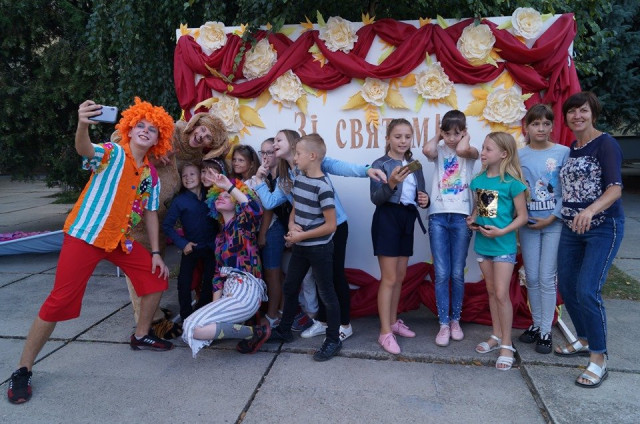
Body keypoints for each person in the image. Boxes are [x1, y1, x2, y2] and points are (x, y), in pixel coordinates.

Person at [7, 98, 175, 405]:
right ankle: (23, 369)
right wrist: (82, 124)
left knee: (156, 278)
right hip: (85, 236)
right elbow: (85, 150)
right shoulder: (113, 153)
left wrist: (155, 252)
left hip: (118, 240)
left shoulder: (150, 174)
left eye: (152, 130)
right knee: (58, 302)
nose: (145, 131)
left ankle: (141, 335)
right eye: (140, 125)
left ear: (158, 139)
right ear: (129, 129)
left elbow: (151, 213)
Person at [253, 129, 387, 343]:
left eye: (279, 140)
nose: (274, 144)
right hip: (308, 235)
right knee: (319, 279)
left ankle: (344, 325)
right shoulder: (285, 178)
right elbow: (270, 202)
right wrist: (260, 180)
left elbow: (341, 167)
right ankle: (323, 321)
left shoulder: (315, 162)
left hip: (335, 228)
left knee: (335, 277)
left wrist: (367, 170)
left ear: (294, 144)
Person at [123, 111, 228, 339]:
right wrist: (152, 155)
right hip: (135, 212)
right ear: (195, 124)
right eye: (202, 129)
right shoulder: (169, 129)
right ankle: (151, 322)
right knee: (140, 267)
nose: (201, 136)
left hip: (159, 216)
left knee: (154, 264)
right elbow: (121, 140)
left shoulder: (195, 157)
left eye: (208, 137)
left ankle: (152, 310)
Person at [554, 92, 624, 388]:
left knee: (587, 290)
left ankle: (599, 357)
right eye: (572, 112)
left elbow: (615, 188)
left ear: (593, 113)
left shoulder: (606, 144)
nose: (577, 116)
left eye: (583, 110)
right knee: (568, 286)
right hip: (572, 228)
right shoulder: (573, 148)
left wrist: (591, 209)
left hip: (603, 227)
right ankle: (583, 338)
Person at [267, 134, 343, 361]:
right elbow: (296, 208)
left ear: (312, 156)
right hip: (301, 247)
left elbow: (331, 226)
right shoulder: (299, 179)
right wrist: (292, 226)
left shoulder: (324, 187)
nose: (295, 158)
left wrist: (302, 236)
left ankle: (333, 339)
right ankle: (285, 329)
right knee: (290, 286)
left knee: (327, 293)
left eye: (298, 154)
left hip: (319, 249)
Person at [181, 172, 270, 357]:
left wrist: (229, 186)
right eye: (218, 196)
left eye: (227, 196)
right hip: (229, 292)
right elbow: (217, 276)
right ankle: (252, 332)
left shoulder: (243, 225)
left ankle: (256, 332)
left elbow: (254, 209)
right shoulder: (220, 238)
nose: (221, 197)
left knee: (192, 327)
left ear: (236, 203)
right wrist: (216, 309)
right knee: (190, 327)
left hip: (246, 289)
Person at [468, 132, 528, 371]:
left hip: (503, 245)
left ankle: (506, 344)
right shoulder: (478, 180)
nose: (482, 153)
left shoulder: (513, 183)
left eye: (488, 149)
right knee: (492, 291)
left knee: (502, 294)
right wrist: (473, 220)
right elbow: (482, 211)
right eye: (483, 148)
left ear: (504, 154)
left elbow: (522, 217)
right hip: (483, 244)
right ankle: (495, 334)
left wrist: (502, 231)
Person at [371, 118, 430, 355]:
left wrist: (424, 199)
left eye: (407, 136)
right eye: (397, 136)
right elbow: (376, 199)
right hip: (387, 219)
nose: (403, 141)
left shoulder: (415, 165)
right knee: (389, 278)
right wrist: (392, 183)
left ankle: (393, 321)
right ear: (388, 139)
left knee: (400, 276)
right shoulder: (380, 164)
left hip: (407, 219)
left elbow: (419, 194)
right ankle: (384, 332)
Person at [517, 104, 569, 354]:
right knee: (532, 276)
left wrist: (551, 217)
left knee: (547, 277)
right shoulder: (519, 155)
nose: (541, 128)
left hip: (553, 225)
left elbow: (568, 190)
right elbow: (514, 188)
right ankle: (536, 324)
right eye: (535, 123)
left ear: (552, 126)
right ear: (526, 127)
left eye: (546, 123)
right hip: (528, 225)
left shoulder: (563, 152)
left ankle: (547, 330)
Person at [423, 110, 478, 347]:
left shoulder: (471, 151)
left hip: (461, 216)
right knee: (442, 273)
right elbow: (427, 150)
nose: (452, 138)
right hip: (438, 215)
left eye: (457, 133)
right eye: (448, 133)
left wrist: (464, 136)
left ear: (464, 132)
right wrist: (439, 135)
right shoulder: (439, 150)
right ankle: (443, 323)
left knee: (456, 273)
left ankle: (456, 320)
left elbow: (464, 150)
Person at [162, 162, 217, 321]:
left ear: (201, 176)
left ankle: (202, 313)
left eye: (192, 174)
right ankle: (186, 316)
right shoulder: (180, 201)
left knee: (209, 281)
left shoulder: (211, 195)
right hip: (191, 247)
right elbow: (167, 226)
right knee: (184, 282)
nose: (188, 178)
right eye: (184, 176)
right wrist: (182, 243)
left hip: (211, 247)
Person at [256, 138, 290, 326]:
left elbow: (269, 206)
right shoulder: (267, 174)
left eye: (269, 152)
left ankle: (273, 315)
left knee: (273, 274)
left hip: (278, 230)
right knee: (276, 274)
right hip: (282, 230)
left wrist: (262, 234)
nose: (265, 156)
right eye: (262, 152)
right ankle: (282, 310)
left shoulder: (284, 176)